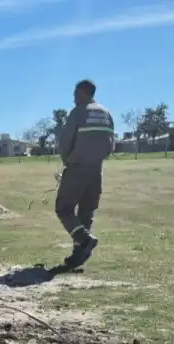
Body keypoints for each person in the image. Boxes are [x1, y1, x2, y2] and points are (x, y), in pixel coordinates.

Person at [55, 79, 115, 270]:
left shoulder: (79, 112)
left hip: (77, 167)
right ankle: (78, 254)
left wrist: (67, 160)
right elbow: (111, 143)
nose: (73, 97)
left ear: (82, 92)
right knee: (86, 212)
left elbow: (65, 141)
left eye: (75, 93)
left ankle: (84, 239)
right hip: (96, 169)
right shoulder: (106, 113)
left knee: (63, 208)